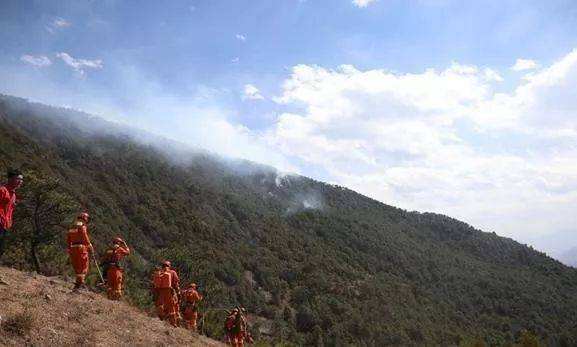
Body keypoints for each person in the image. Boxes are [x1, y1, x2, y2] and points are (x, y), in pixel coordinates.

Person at [0, 168, 24, 260]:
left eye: (21, 179)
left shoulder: (13, 194)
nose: (20, 182)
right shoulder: (2, 190)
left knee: (1, 249)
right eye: (18, 179)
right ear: (10, 179)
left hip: (5, 225)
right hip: (0, 223)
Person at [66, 212, 93, 290]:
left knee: (77, 267)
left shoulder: (72, 226)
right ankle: (79, 285)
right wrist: (89, 245)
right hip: (81, 248)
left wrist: (69, 249)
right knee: (83, 266)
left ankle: (78, 284)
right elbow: (84, 235)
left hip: (73, 248)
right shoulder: (82, 226)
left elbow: (68, 239)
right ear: (85, 218)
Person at [152, 261, 180, 326]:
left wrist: (154, 293)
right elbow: (176, 284)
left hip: (160, 292)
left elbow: (154, 284)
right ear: (169, 266)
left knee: (160, 305)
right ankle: (173, 324)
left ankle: (161, 318)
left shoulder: (159, 272)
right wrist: (178, 293)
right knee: (171, 307)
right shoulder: (172, 272)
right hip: (169, 292)